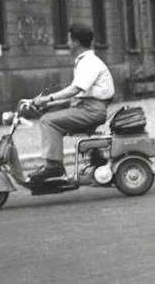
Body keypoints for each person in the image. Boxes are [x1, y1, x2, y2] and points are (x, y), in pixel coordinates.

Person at [23, 23, 116, 182]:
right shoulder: (85, 60)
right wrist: (48, 105)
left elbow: (75, 89)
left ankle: (54, 166)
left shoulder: (89, 62)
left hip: (91, 111)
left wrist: (47, 98)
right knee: (49, 116)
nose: (67, 43)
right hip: (87, 108)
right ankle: (96, 159)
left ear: (76, 42)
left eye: (69, 39)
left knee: (48, 121)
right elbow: (78, 94)